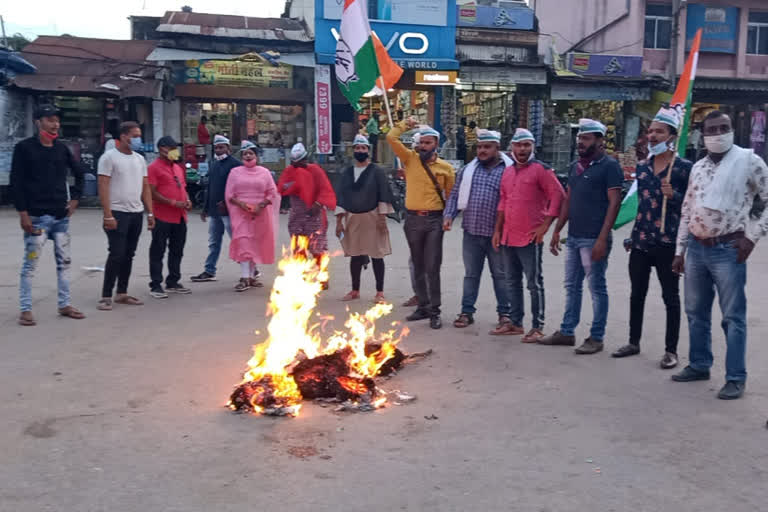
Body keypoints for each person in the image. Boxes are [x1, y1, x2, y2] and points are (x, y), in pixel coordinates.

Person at [671, 111, 768, 400]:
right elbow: (687, 210)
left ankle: (736, 377)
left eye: (724, 128)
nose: (719, 133)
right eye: (713, 129)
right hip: (698, 249)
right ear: (704, 134)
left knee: (733, 317)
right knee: (695, 312)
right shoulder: (698, 167)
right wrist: (680, 250)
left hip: (729, 249)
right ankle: (700, 364)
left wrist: (752, 237)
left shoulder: (749, 161)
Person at [612, 108, 692, 368]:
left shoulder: (683, 168)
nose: (653, 135)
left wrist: (675, 197)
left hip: (668, 243)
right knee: (637, 294)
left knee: (670, 297)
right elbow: (641, 207)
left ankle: (671, 351)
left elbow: (693, 206)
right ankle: (633, 342)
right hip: (641, 242)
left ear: (672, 136)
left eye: (659, 131)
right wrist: (631, 237)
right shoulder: (643, 168)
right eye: (651, 131)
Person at [539, 119, 623, 354]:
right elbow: (568, 199)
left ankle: (596, 337)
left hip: (593, 237)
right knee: (571, 286)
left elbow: (614, 203)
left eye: (586, 139)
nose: (580, 143)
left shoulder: (610, 166)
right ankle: (567, 331)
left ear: (599, 140)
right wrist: (557, 230)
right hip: (574, 237)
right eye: (579, 139)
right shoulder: (576, 166)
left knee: (596, 287)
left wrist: (602, 239)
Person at [10, 104, 86, 326]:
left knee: (64, 263)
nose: (55, 124)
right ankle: (25, 309)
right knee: (30, 264)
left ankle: (64, 304)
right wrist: (22, 213)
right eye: (50, 119)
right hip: (36, 219)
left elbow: (80, 173)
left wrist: (75, 200)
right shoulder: (24, 148)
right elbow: (17, 183)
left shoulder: (61, 149)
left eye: (57, 120)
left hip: (60, 218)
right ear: (38, 121)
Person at [492, 128, 565, 343]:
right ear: (512, 147)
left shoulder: (541, 170)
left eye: (527, 145)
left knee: (534, 283)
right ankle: (515, 323)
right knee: (511, 281)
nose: (522, 149)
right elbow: (503, 202)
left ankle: (537, 326)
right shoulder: (508, 171)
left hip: (530, 236)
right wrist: (497, 230)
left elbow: (558, 196)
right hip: (508, 235)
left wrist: (545, 227)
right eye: (519, 145)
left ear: (533, 147)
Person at [387, 119, 456, 329]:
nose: (424, 146)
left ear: (436, 143)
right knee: (417, 265)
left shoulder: (446, 168)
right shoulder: (410, 159)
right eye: (421, 143)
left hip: (435, 220)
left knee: (432, 266)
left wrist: (448, 217)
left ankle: (435, 311)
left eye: (428, 143)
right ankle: (423, 306)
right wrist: (405, 124)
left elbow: (451, 196)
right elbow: (391, 137)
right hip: (413, 219)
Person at [443, 129, 514, 333]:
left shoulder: (508, 170)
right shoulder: (468, 169)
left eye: (487, 147)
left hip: (497, 234)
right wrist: (449, 215)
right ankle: (466, 312)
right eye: (480, 147)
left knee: (500, 275)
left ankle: (505, 314)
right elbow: (455, 195)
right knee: (471, 275)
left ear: (497, 148)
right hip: (472, 232)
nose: (482, 151)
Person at [97, 121, 155, 311]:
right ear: (123, 136)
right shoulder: (109, 158)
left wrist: (150, 212)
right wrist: (107, 215)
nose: (138, 140)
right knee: (116, 253)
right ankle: (106, 295)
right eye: (135, 136)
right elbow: (103, 186)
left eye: (139, 136)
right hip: (117, 212)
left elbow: (145, 187)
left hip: (136, 212)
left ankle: (122, 292)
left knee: (129, 254)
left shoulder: (139, 159)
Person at [335, 134, 393, 303]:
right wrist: (339, 222)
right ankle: (355, 290)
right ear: (353, 150)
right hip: (352, 217)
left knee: (377, 255)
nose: (360, 151)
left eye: (363, 148)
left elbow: (383, 194)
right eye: (358, 148)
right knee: (355, 255)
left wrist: (382, 218)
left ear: (368, 150)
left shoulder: (377, 172)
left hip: (373, 217)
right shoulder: (347, 173)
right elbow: (342, 197)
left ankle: (379, 292)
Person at [278, 143, 337, 288]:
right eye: (296, 163)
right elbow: (282, 187)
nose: (300, 165)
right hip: (297, 215)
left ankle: (322, 275)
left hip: (314, 214)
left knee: (317, 248)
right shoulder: (289, 171)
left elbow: (325, 189)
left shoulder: (315, 170)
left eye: (303, 161)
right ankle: (303, 276)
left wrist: (318, 203)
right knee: (299, 248)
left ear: (306, 158)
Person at [225, 140, 280, 292]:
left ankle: (251, 276)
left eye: (251, 153)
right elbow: (229, 194)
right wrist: (241, 204)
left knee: (255, 244)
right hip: (240, 213)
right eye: (245, 154)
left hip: (260, 213)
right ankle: (244, 277)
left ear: (256, 155)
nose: (248, 156)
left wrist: (261, 205)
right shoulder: (234, 172)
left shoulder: (265, 172)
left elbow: (272, 192)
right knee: (243, 242)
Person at [147, 136, 191, 299]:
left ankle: (173, 281)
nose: (175, 151)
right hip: (162, 216)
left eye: (175, 147)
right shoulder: (154, 168)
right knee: (158, 250)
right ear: (162, 149)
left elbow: (183, 187)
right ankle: (156, 284)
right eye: (172, 147)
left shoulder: (178, 167)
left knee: (177, 250)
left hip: (180, 216)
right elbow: (151, 192)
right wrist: (172, 202)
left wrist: (187, 200)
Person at [192, 134, 241, 282]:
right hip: (214, 211)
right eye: (216, 148)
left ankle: (251, 269)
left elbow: (240, 189)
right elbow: (210, 188)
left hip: (230, 211)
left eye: (222, 147)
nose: (219, 150)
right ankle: (209, 270)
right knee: (214, 242)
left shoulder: (236, 165)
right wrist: (205, 208)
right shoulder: (213, 164)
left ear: (228, 148)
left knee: (237, 241)